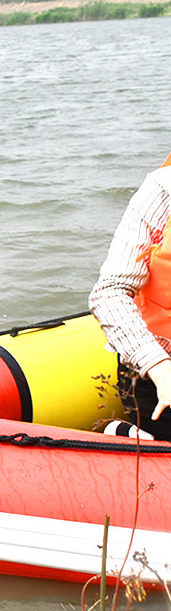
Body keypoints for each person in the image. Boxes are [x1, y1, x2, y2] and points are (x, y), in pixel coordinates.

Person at [89, 154, 171, 440]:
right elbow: (109, 292)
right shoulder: (162, 189)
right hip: (157, 368)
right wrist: (160, 368)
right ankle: (127, 432)